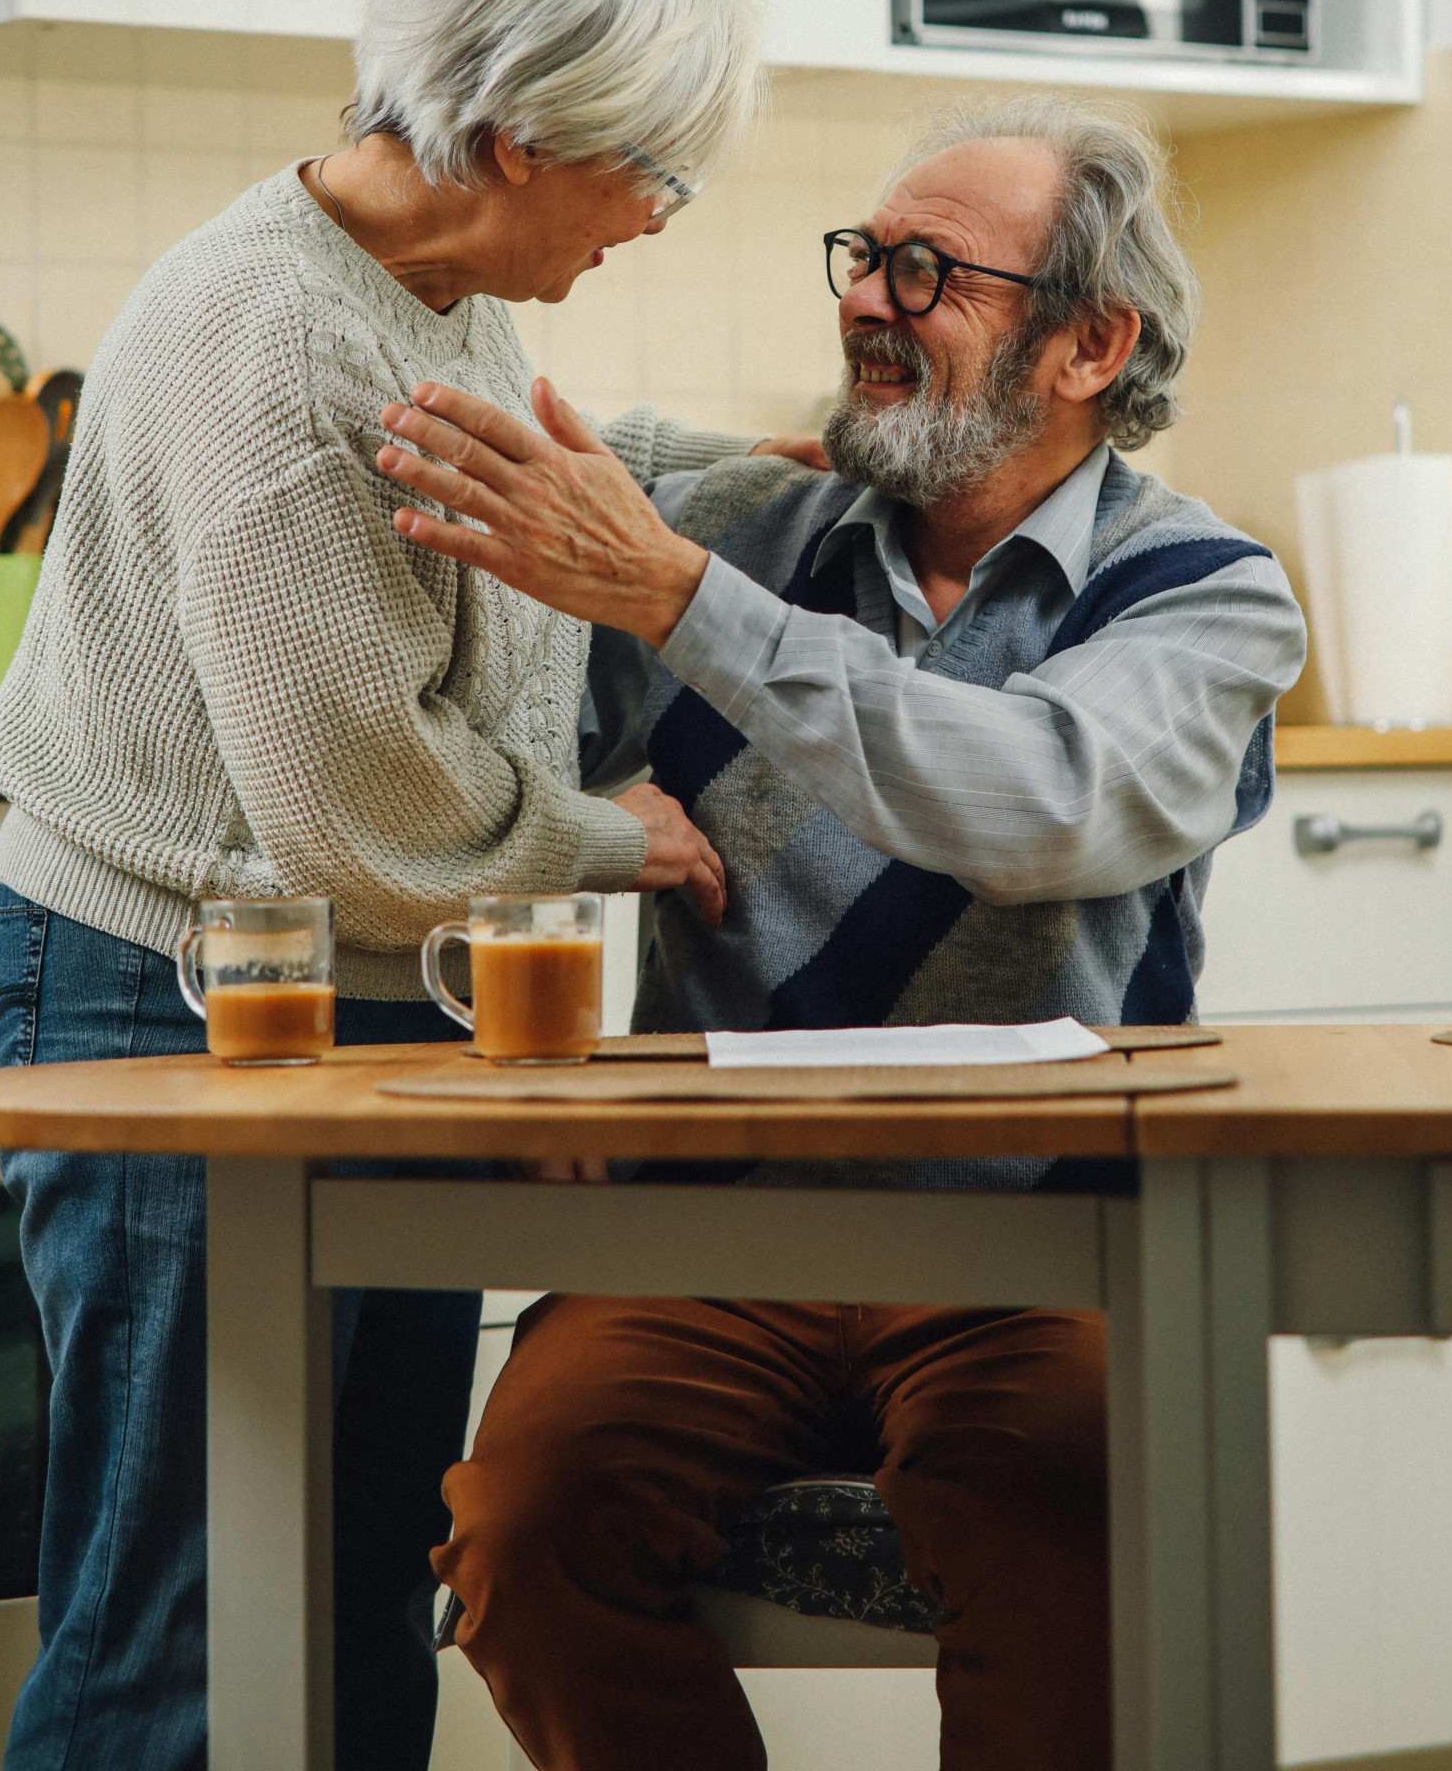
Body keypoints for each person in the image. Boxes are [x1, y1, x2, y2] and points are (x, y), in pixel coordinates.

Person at [374, 94, 1308, 1771]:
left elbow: (1036, 801)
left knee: (1073, 1529)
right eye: (864, 256)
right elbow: (496, 740)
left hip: (1039, 1237)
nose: (867, 298)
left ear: (1093, 342)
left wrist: (677, 594)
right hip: (723, 1231)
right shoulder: (749, 527)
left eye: (929, 271)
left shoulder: (1205, 594)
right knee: (520, 1529)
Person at [0, 0, 810, 1771]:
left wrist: (740, 471)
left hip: (346, 996)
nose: (657, 221)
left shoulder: (424, 287)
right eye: (651, 179)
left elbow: (502, 473)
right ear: (521, 138)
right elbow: (357, 803)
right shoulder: (277, 344)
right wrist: (623, 838)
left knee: (353, 1600)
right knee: (189, 1627)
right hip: (175, 997)